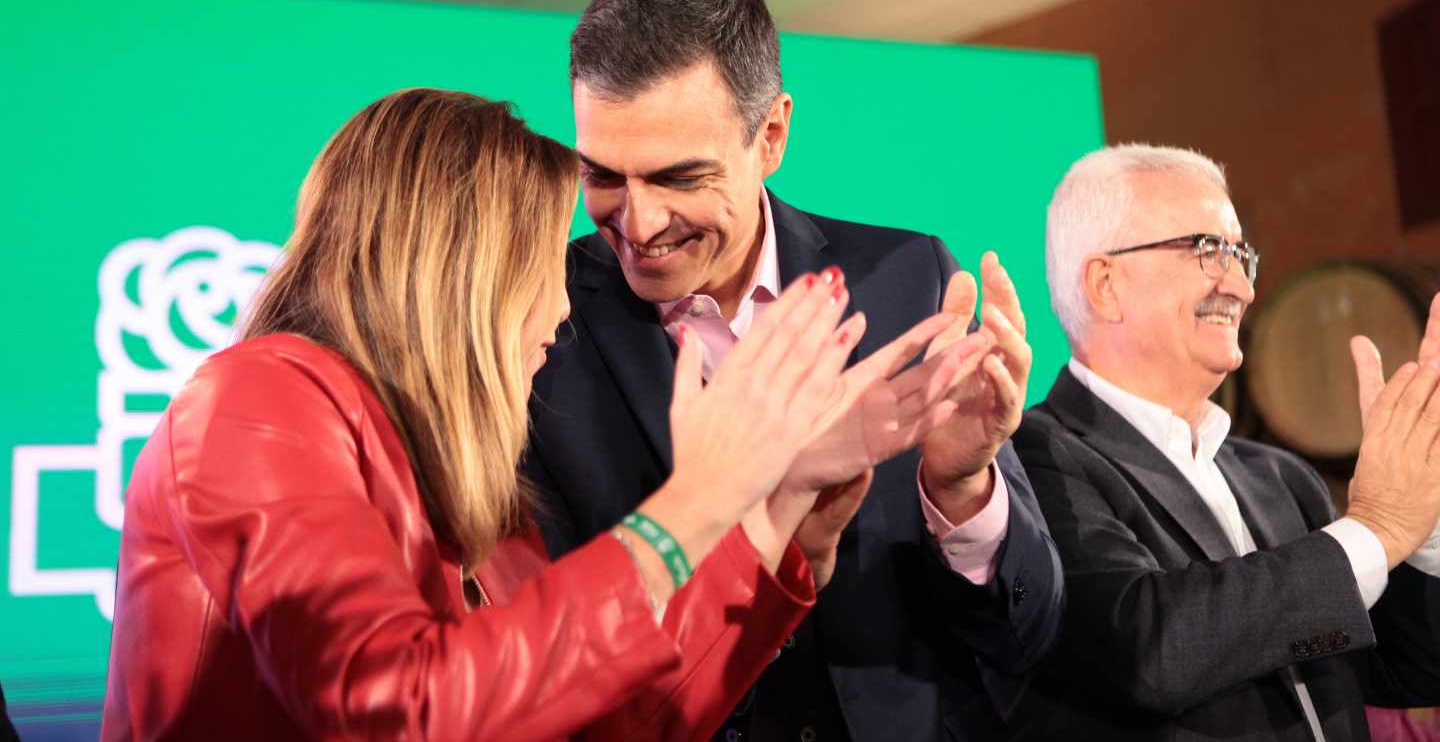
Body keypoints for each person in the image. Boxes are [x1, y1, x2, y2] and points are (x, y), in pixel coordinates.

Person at [100, 89, 975, 741]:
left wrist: (786, 511)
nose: (562, 309)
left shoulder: (473, 489)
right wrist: (696, 499)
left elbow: (613, 725)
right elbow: (399, 711)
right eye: (542, 267)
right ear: (459, 276)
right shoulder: (255, 405)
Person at [525, 0, 1064, 741]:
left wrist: (962, 487)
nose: (636, 227)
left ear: (771, 134)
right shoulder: (541, 323)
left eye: (678, 178)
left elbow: (1028, 635)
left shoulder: (908, 282)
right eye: (603, 175)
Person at [1009, 143, 1440, 741]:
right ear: (1105, 284)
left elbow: (1407, 674)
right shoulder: (1029, 459)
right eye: (1209, 251)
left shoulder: (1278, 477)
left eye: (1242, 255)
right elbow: (1150, 651)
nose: (1241, 287)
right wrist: (1376, 530)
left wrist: (1425, 528)